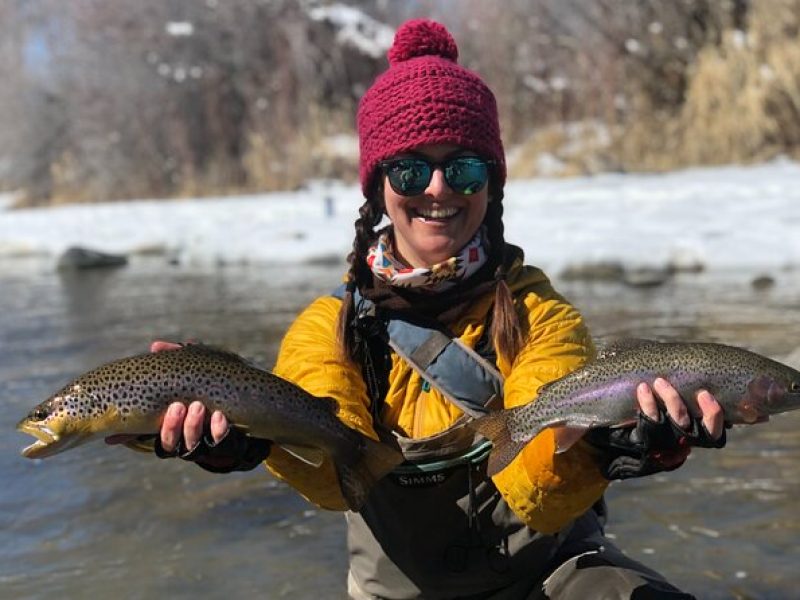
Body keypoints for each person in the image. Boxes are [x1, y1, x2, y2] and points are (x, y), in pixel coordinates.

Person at [111, 19, 726, 599]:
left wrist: (608, 445)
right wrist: (249, 440)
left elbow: (535, 487)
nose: (438, 189)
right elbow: (332, 480)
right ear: (380, 186)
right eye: (410, 170)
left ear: (492, 182)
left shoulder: (540, 312)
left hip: (550, 578)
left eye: (462, 167)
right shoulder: (329, 327)